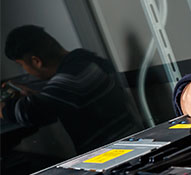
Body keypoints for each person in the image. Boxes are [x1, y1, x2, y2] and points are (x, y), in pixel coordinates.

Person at [2, 25, 143, 154]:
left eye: (22, 65)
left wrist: (2, 108)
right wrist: (35, 95)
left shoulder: (72, 77)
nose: (25, 71)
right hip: (128, 142)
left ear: (36, 61)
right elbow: (60, 102)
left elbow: (31, 113)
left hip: (114, 154)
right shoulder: (85, 61)